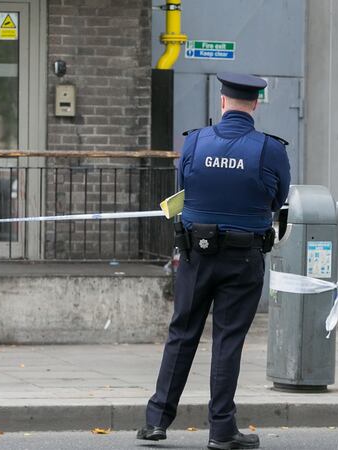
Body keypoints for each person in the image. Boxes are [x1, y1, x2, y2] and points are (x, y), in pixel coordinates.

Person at [138, 72, 291, 450]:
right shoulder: (270, 150)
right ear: (255, 104)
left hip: (196, 255)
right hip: (243, 259)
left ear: (222, 102)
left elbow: (183, 189)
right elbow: (277, 200)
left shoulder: (194, 142)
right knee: (227, 340)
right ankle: (221, 430)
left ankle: (156, 421)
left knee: (182, 332)